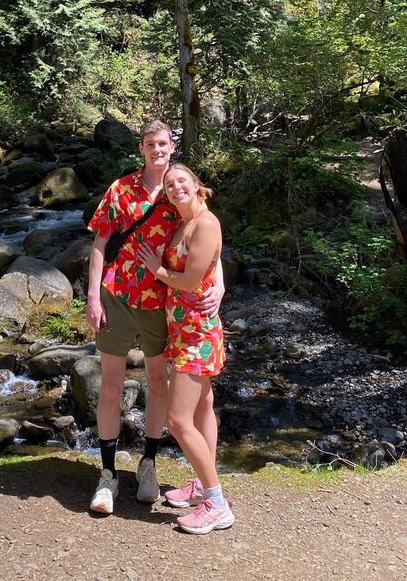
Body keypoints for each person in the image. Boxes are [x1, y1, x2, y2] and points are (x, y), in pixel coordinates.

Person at [86, 121, 223, 516]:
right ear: (141, 148)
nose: (157, 150)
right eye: (150, 144)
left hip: (162, 306)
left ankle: (148, 464)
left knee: (159, 387)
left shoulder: (180, 192)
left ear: (171, 146)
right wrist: (93, 296)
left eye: (162, 143)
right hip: (115, 298)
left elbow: (209, 238)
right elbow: (99, 242)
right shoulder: (120, 189)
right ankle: (108, 474)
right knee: (110, 388)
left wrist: (222, 285)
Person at [136, 163, 234, 535]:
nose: (176, 187)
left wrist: (156, 269)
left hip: (197, 333)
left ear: (196, 185)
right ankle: (201, 480)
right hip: (182, 330)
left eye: (182, 181)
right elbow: (212, 264)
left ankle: (216, 504)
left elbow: (192, 280)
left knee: (177, 421)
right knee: (204, 406)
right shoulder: (182, 224)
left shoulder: (205, 223)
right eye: (169, 184)